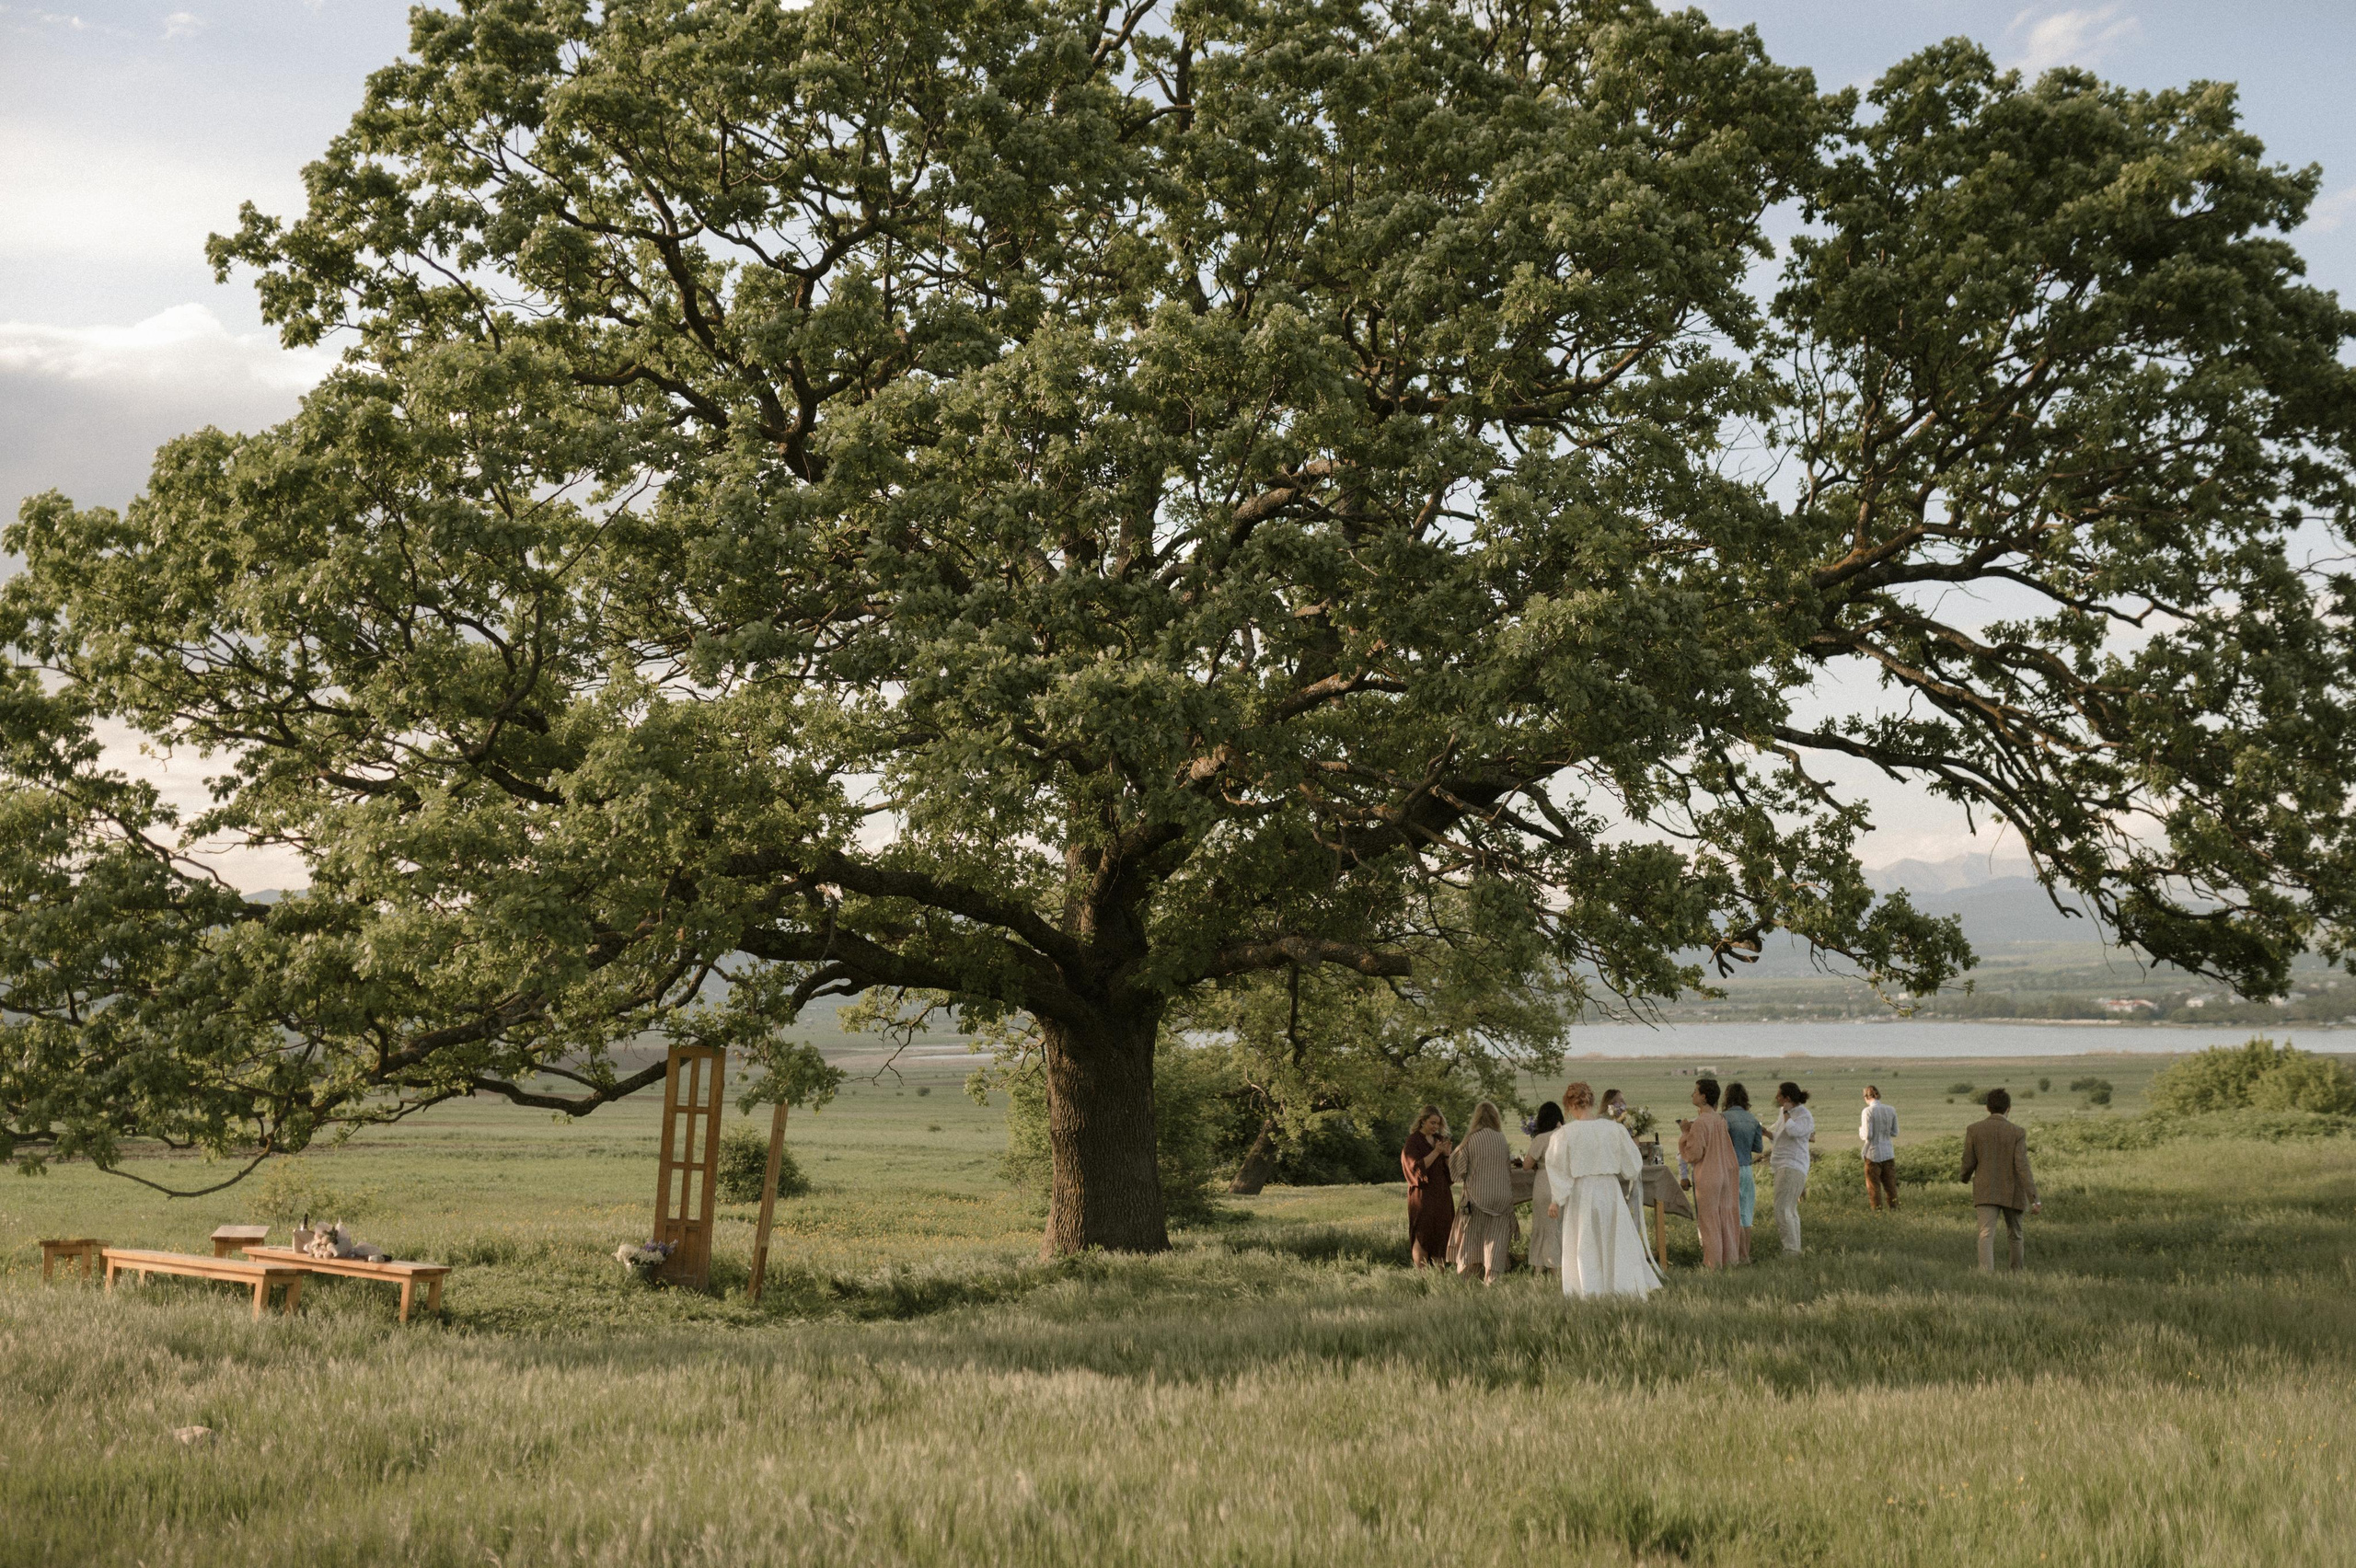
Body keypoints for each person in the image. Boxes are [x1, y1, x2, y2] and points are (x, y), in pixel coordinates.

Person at [1543, 1081, 1661, 1298]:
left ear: (1570, 1106)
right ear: (1591, 1101)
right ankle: (1620, 1286)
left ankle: (1589, 1289)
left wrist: (1556, 1199)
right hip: (1609, 1190)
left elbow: (1559, 1169)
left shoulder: (1565, 1134)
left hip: (1582, 1191)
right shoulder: (1614, 1129)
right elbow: (1632, 1165)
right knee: (1612, 1237)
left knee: (1586, 1240)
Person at [1960, 1088, 2040, 1272]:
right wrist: (2034, 1198)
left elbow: (1968, 1160)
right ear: (2008, 1108)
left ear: (1987, 1107)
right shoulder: (2017, 1132)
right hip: (2012, 1191)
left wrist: (1964, 1177)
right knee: (2016, 1235)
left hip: (1985, 1190)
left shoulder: (1974, 1129)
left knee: (1985, 1234)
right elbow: (2022, 1166)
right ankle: (2016, 1273)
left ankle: (1986, 1275)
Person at [1675, 1077, 1742, 1267]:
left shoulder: (1701, 1122)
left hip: (1708, 1175)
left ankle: (1713, 1263)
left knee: (1709, 1220)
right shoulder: (1719, 1119)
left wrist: (1685, 1133)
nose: (1692, 1094)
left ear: (1704, 1097)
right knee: (1725, 1216)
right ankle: (1730, 1260)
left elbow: (1694, 1154)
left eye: (1696, 1091)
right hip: (1725, 1172)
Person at [1449, 1101, 1517, 1283]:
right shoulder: (1501, 1138)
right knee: (1496, 1241)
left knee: (1471, 1240)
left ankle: (1467, 1280)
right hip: (1502, 1199)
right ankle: (1492, 1280)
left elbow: (1456, 1172)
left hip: (1477, 1198)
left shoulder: (1471, 1139)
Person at [1764, 1081, 1815, 1255]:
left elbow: (1793, 1131)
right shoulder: (1783, 1113)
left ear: (1787, 1098)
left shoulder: (1804, 1115)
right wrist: (1767, 1133)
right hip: (1781, 1163)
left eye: (1779, 1095)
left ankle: (1791, 1250)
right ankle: (1794, 1248)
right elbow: (1781, 1136)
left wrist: (1786, 1113)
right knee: (1789, 1209)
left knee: (1783, 1209)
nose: (1776, 1098)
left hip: (1792, 1164)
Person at [1401, 1106, 1455, 1268]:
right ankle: (1422, 1275)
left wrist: (1446, 1155)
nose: (1435, 1127)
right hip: (1422, 1196)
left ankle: (1439, 1277)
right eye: (1432, 1123)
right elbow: (1414, 1169)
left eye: (1438, 1124)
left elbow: (1450, 1174)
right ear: (1423, 1121)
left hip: (1441, 1195)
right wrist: (1436, 1152)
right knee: (1422, 1233)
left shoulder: (1439, 1140)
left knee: (1441, 1233)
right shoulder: (1413, 1141)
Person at [1721, 1081, 1764, 1263]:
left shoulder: (1724, 1118)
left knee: (1733, 1212)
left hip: (1729, 1168)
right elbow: (1758, 1147)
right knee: (1746, 1213)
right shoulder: (1752, 1119)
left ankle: (1736, 1255)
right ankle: (1746, 1255)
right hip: (1747, 1168)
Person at [1522, 1101, 1566, 1274]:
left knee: (1541, 1227)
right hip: (1560, 1184)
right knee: (1557, 1227)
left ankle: (1539, 1268)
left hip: (1543, 1182)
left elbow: (1526, 1165)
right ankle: (1557, 1268)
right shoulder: (1564, 1136)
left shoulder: (1540, 1139)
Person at [1860, 1084, 1900, 1211]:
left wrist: (1860, 1131)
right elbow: (1895, 1132)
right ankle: (1894, 1210)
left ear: (1866, 1097)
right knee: (1891, 1186)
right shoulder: (1891, 1109)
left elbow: (1867, 1135)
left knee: (1874, 1187)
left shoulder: (1867, 1111)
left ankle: (1877, 1212)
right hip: (1888, 1152)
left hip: (1873, 1153)